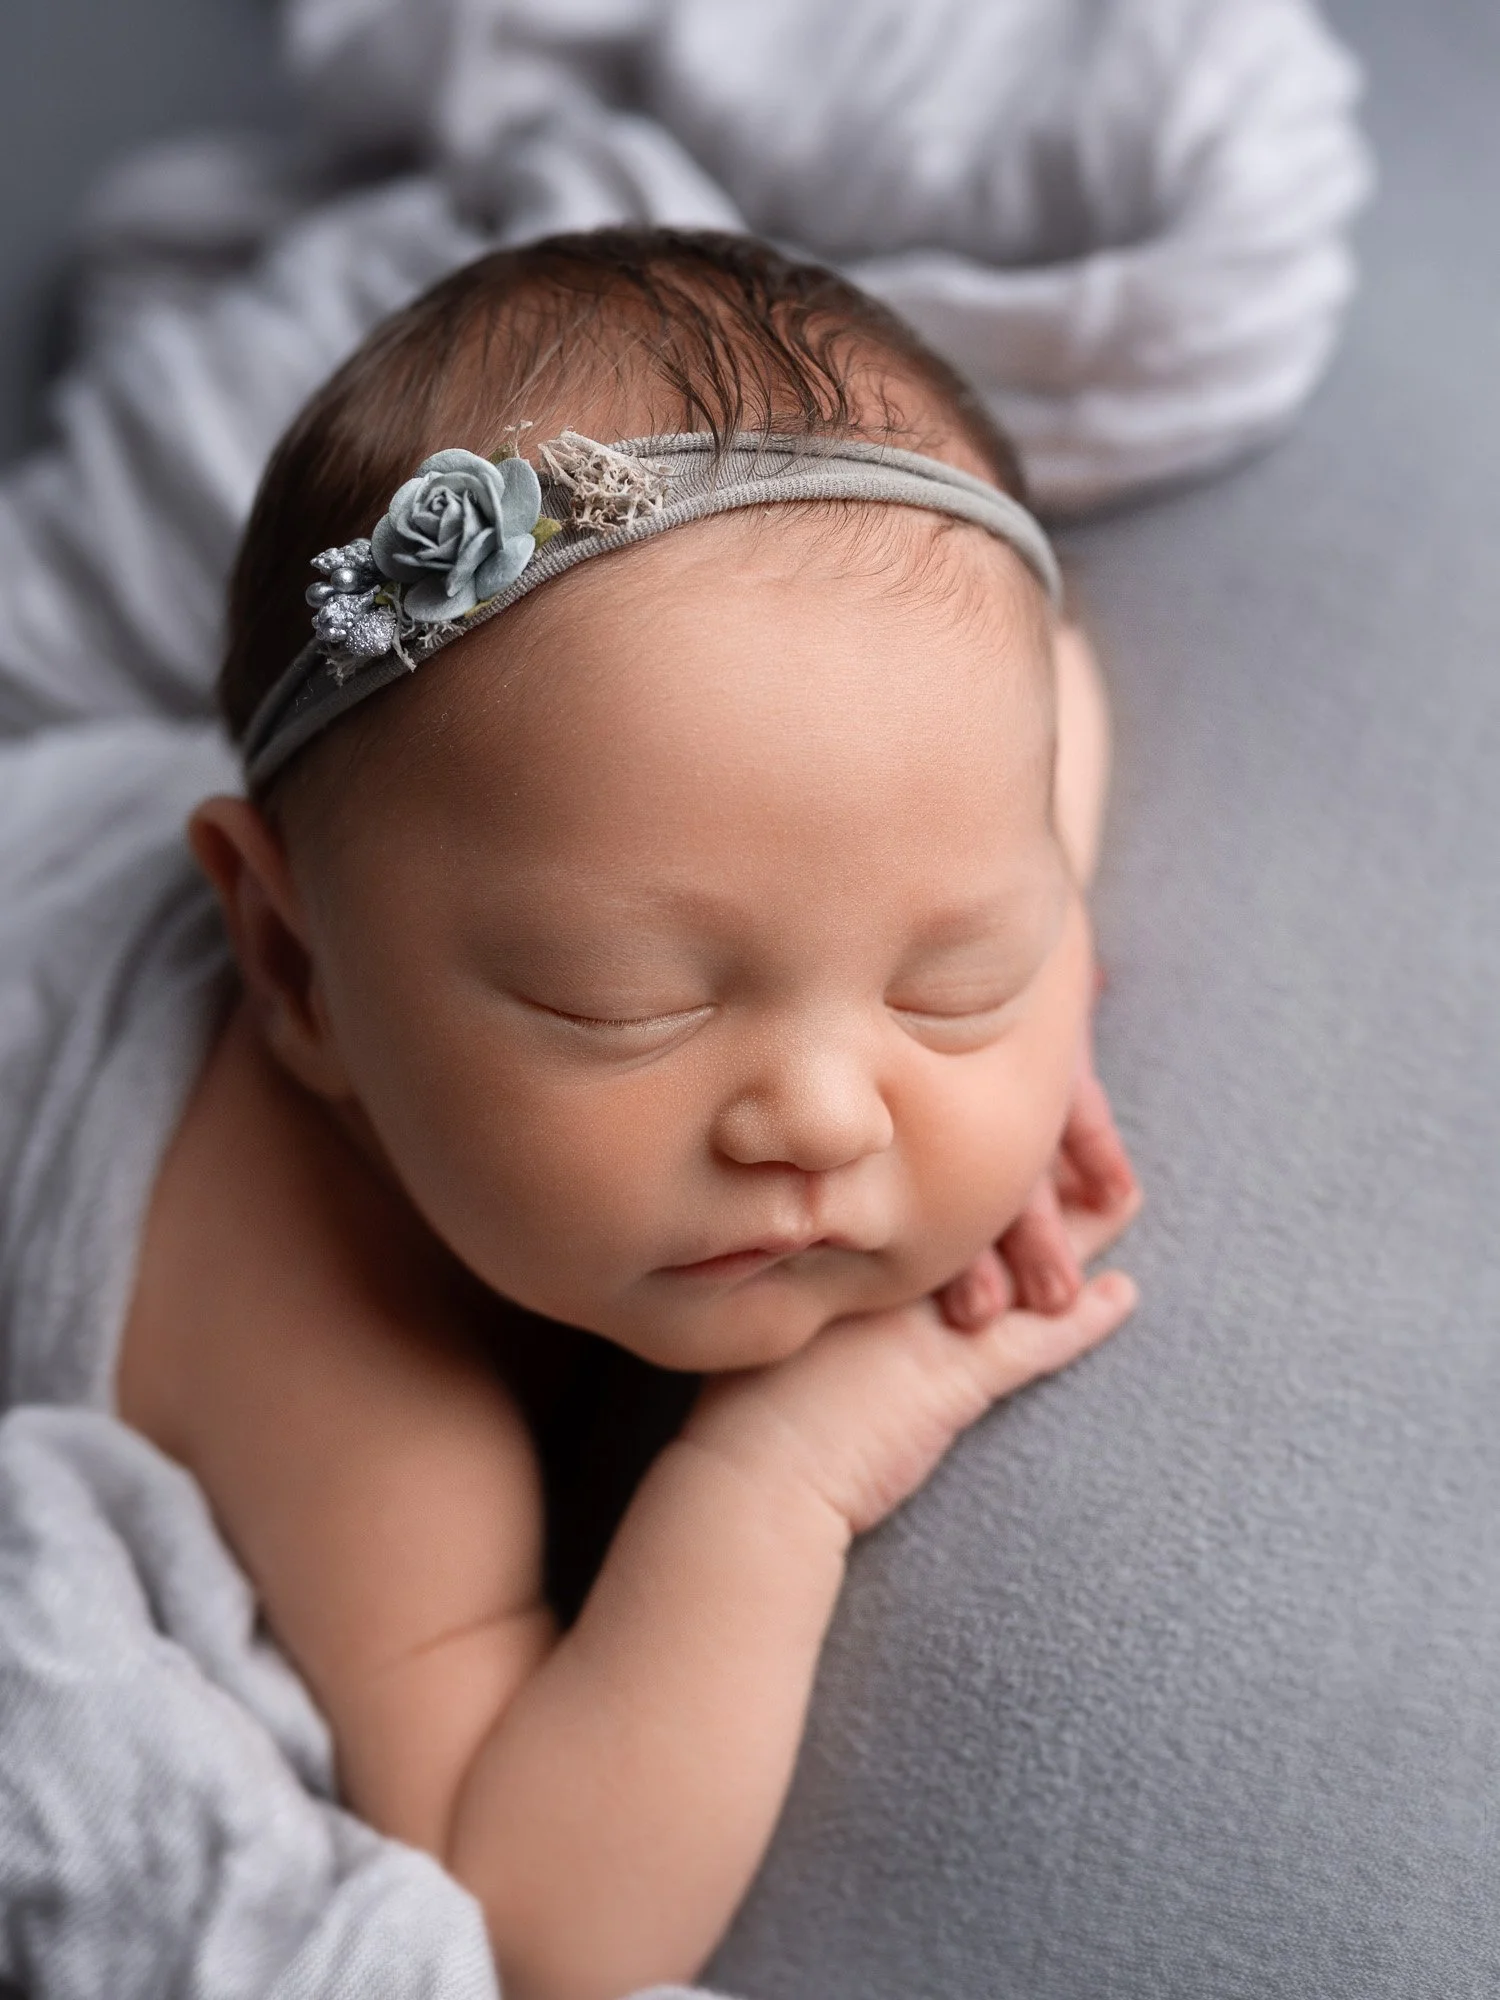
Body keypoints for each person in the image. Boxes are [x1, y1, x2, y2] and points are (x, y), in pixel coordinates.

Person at [117, 226, 1141, 2000]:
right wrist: (773, 1474)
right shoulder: (319, 1330)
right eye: (625, 1003)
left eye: (944, 974)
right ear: (294, 969)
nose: (825, 1115)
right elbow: (537, 1922)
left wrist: (1033, 987)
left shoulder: (852, 771)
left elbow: (1050, 677)